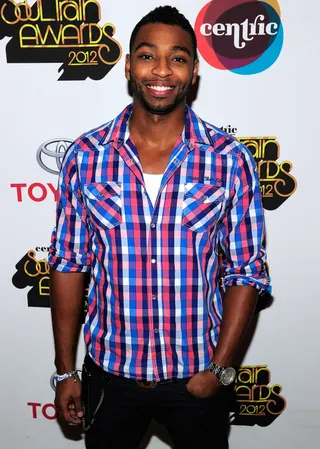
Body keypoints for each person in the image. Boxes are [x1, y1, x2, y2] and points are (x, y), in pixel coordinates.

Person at [48, 6, 271, 449]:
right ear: (128, 64)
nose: (163, 70)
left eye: (179, 57)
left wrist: (221, 371)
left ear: (194, 71)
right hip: (109, 376)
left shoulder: (229, 159)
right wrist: (65, 370)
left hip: (197, 377)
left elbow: (246, 269)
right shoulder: (85, 156)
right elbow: (68, 264)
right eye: (149, 56)